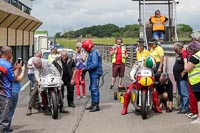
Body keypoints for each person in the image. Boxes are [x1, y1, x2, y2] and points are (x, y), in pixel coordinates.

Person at [0, 46, 21, 132]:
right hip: (5, 94)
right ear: (9, 54)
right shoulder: (7, 65)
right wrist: (17, 69)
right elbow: (12, 78)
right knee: (4, 119)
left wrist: (13, 68)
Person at [81, 39, 103, 112]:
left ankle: (96, 105)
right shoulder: (92, 52)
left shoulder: (94, 52)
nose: (84, 49)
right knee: (92, 88)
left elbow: (94, 64)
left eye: (85, 48)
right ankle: (93, 104)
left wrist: (86, 69)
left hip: (95, 72)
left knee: (94, 88)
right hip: (93, 72)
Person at [184, 41, 200, 124]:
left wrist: (185, 61)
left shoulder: (195, 57)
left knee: (199, 100)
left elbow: (187, 68)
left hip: (197, 80)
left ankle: (199, 119)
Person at [6, 63, 25, 132]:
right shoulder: (12, 72)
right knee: (10, 111)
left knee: (6, 111)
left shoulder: (7, 70)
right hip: (13, 92)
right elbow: (18, 79)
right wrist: (22, 70)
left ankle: (6, 127)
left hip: (7, 92)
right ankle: (6, 129)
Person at [173, 42, 189, 114]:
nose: (175, 51)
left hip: (182, 77)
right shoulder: (179, 54)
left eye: (176, 50)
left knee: (184, 92)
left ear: (180, 48)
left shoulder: (184, 54)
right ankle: (182, 106)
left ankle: (185, 107)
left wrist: (183, 72)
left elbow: (187, 64)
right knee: (180, 92)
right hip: (178, 77)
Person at [26, 51, 42, 115]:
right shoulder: (31, 59)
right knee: (36, 87)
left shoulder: (43, 61)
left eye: (40, 56)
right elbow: (28, 65)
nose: (38, 57)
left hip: (41, 75)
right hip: (32, 74)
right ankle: (30, 107)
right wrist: (32, 67)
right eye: (37, 56)